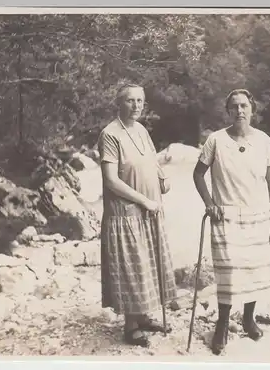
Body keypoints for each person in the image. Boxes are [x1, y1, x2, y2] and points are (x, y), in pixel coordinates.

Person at [193, 89, 270, 355]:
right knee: (228, 273)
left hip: (257, 215)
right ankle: (222, 323)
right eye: (234, 107)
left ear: (252, 109)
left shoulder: (264, 141)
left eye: (244, 106)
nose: (239, 111)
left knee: (254, 270)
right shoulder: (216, 140)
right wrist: (210, 203)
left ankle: (248, 319)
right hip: (226, 215)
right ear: (228, 111)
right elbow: (198, 175)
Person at [97, 84, 177, 348]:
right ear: (119, 104)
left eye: (140, 101)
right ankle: (130, 327)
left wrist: (162, 179)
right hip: (127, 213)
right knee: (133, 266)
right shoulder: (110, 134)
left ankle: (142, 317)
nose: (136, 105)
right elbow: (110, 180)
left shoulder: (141, 130)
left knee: (149, 262)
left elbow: (152, 161)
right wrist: (144, 200)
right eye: (130, 101)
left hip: (150, 209)